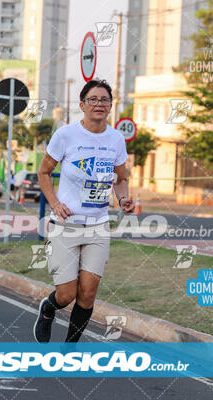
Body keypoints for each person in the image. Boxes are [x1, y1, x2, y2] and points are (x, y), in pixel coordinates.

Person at [34, 79, 134, 343]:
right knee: (66, 295)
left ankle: (70, 350)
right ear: (82, 105)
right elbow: (43, 172)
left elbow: (121, 179)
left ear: (111, 106)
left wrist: (123, 200)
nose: (99, 104)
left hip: (98, 226)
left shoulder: (116, 139)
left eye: (104, 100)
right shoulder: (65, 135)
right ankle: (48, 309)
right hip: (65, 225)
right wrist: (54, 203)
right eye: (93, 99)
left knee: (88, 293)